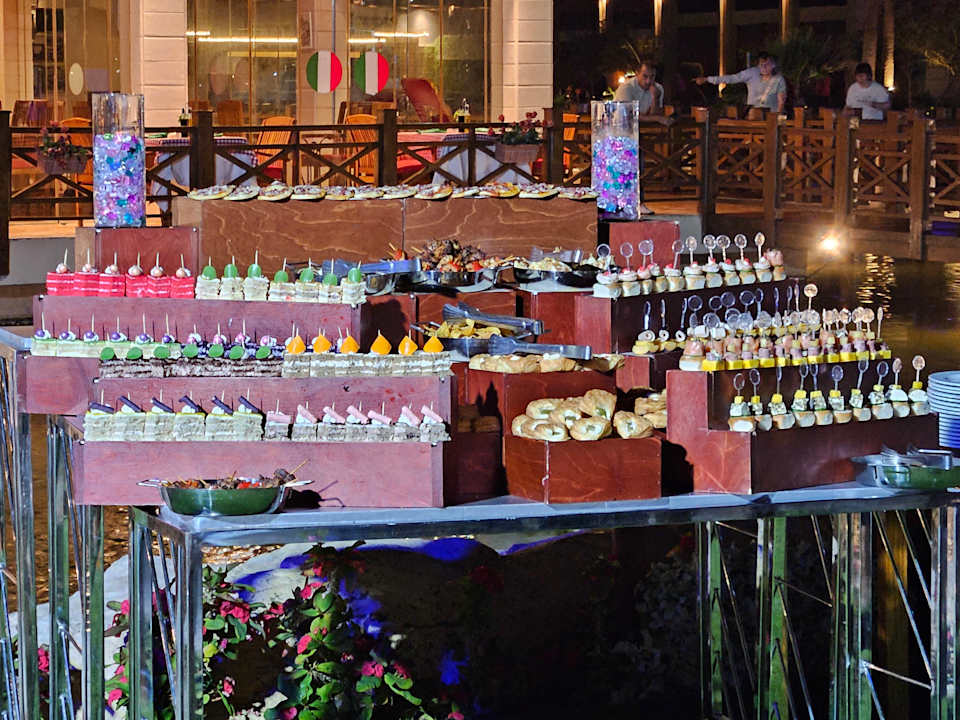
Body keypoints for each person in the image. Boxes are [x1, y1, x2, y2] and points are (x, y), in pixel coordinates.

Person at [614, 60, 672, 215]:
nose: (648, 81)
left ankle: (637, 203)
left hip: (635, 133)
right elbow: (629, 114)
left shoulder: (657, 89)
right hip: (617, 131)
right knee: (621, 170)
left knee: (637, 168)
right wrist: (657, 118)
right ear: (637, 74)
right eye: (645, 76)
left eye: (652, 77)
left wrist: (655, 98)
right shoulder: (627, 88)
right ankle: (619, 204)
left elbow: (654, 113)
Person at [694, 52, 786, 113]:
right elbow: (731, 78)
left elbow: (781, 101)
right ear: (758, 64)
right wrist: (707, 79)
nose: (764, 67)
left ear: (773, 65)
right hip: (753, 114)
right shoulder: (752, 73)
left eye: (767, 64)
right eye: (761, 64)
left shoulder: (778, 79)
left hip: (771, 115)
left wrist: (777, 117)